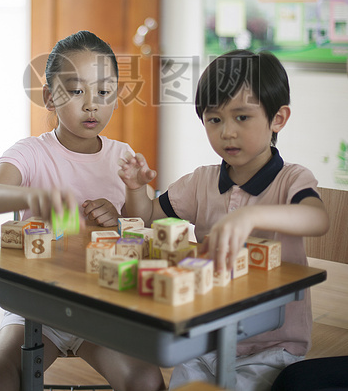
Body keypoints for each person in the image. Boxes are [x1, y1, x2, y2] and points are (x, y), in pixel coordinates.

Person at [118, 49, 330, 391]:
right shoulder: (200, 182)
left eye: (242, 117)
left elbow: (317, 219)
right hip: (207, 339)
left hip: (271, 345)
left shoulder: (291, 179)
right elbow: (145, 217)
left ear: (278, 119)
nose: (227, 132)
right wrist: (135, 189)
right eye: (214, 119)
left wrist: (252, 215)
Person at [0, 30, 166, 391]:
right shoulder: (31, 152)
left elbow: (143, 222)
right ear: (49, 97)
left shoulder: (121, 155)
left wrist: (127, 202)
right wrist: (32, 196)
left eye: (104, 93)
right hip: (38, 307)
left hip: (103, 306)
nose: (91, 105)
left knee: (147, 382)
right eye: (76, 91)